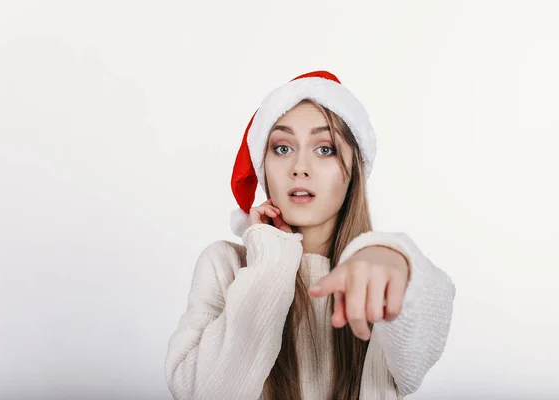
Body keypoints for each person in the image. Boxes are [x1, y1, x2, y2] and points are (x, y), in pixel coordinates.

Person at [164, 70, 456, 400]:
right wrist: (271, 259)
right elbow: (201, 393)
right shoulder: (223, 265)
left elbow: (423, 339)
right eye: (283, 148)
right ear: (264, 167)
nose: (300, 167)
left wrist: (398, 260)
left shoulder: (377, 268)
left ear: (353, 171)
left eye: (325, 149)